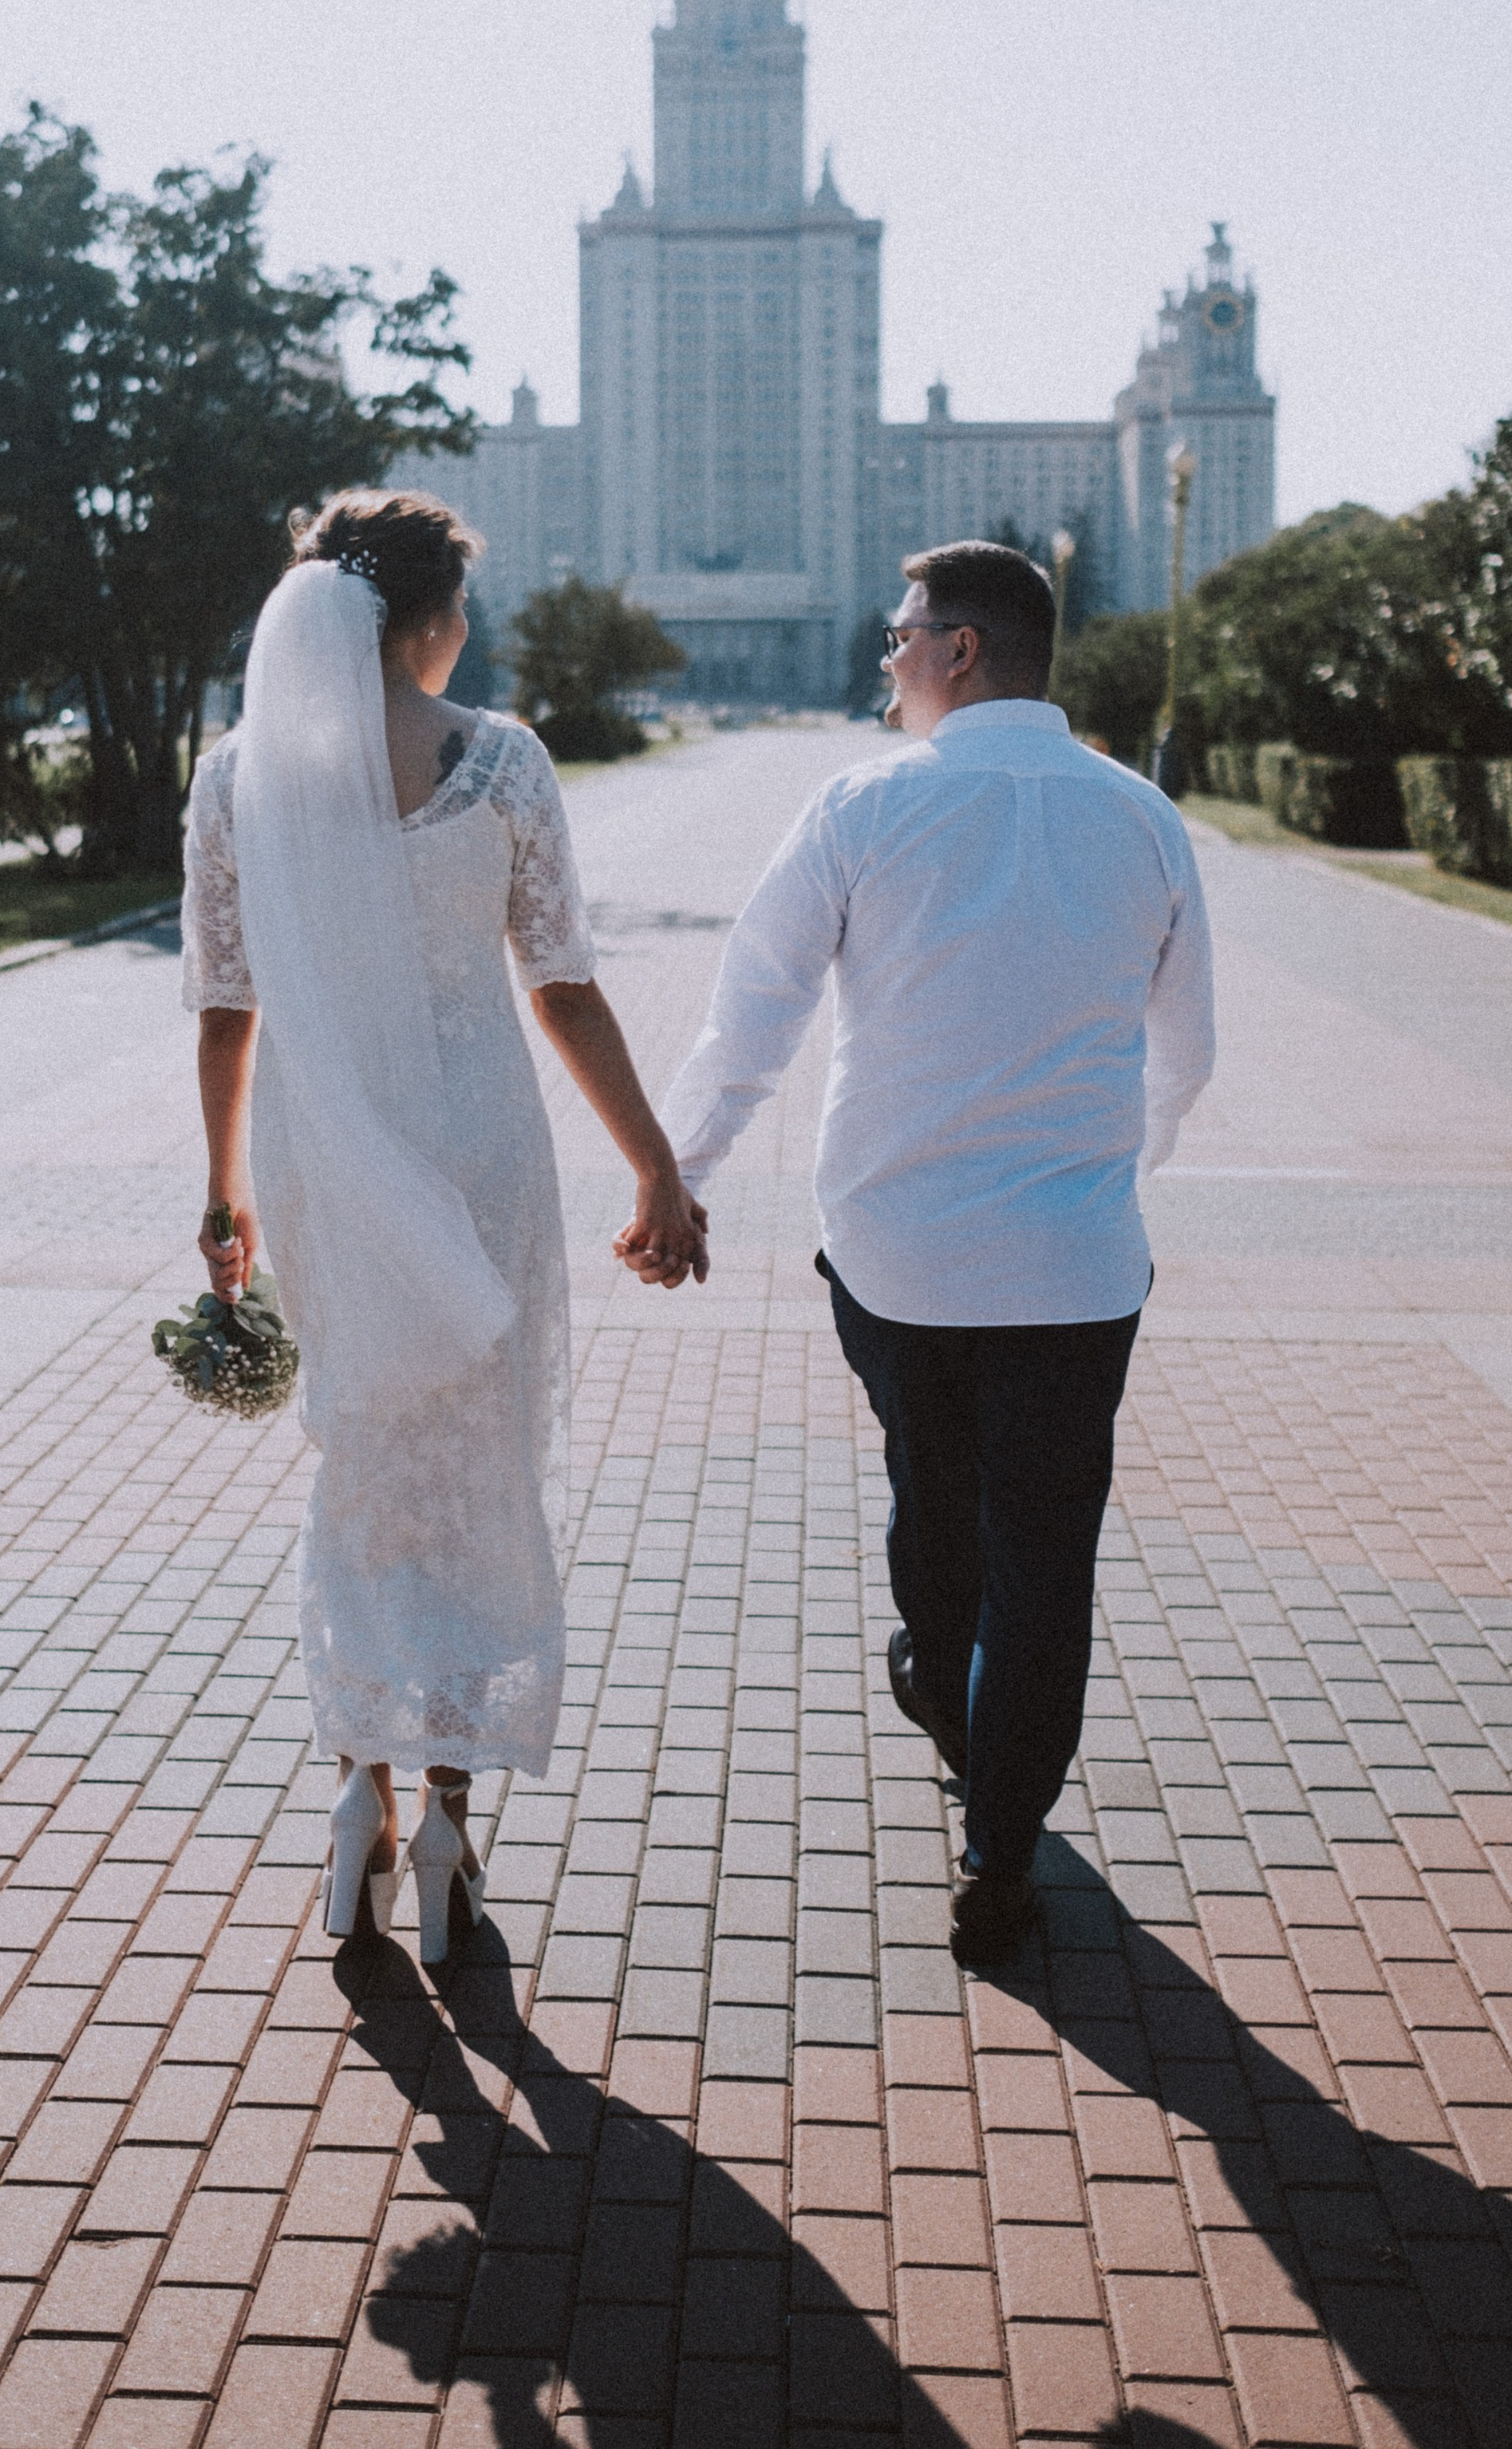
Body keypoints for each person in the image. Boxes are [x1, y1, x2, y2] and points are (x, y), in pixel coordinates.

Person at [646, 541, 1214, 1967]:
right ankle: (1001, 1846)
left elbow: (754, 1013)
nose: (886, 658)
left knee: (935, 1499)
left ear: (961, 650)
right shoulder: (1143, 817)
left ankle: (952, 1702)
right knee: (1046, 1562)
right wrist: (1107, 1174)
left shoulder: (861, 807)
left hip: (897, 1257)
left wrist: (679, 1179)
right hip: (1077, 1269)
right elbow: (1187, 1050)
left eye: (901, 636)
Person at [182, 490, 706, 1968]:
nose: (466, 630)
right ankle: (452, 1822)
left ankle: (358, 1789)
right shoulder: (504, 763)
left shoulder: (236, 780)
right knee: (486, 1464)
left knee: (363, 1457)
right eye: (460, 607)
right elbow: (564, 986)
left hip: (323, 1159)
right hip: (481, 1159)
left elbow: (225, 1009)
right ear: (421, 620)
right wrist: (655, 1165)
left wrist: (224, 1195)